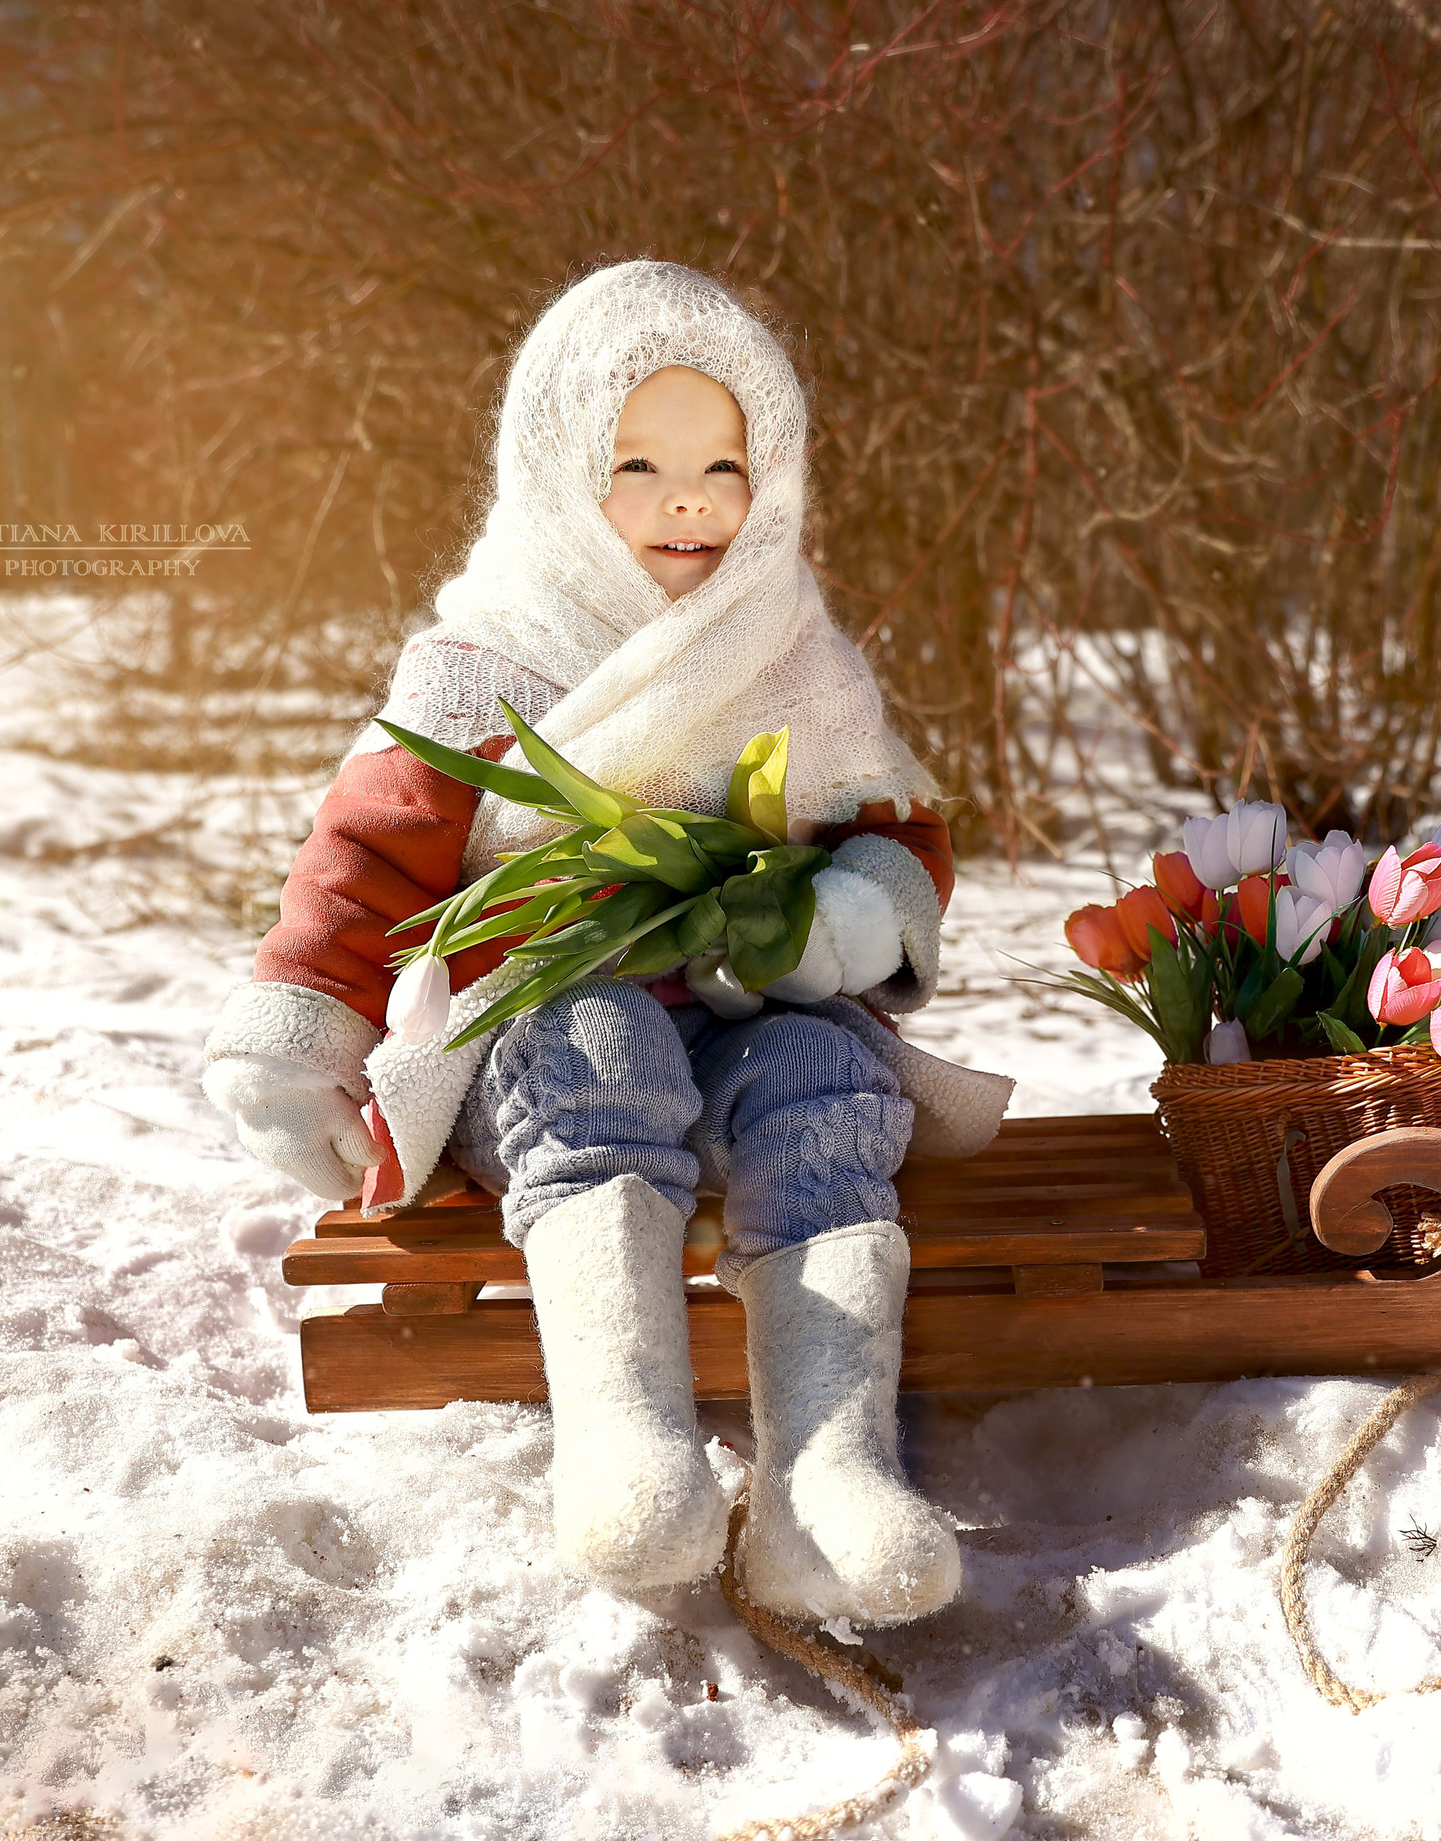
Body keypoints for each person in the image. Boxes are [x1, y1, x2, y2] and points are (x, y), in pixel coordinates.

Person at [202, 261, 1011, 1627]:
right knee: (598, 1029)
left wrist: (849, 910)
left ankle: (828, 1480)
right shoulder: (485, 660)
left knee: (826, 1069)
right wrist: (301, 1030)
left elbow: (895, 821)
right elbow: (366, 854)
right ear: (557, 469)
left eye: (721, 462)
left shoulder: (790, 647)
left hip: (747, 1020)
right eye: (636, 462)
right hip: (547, 1054)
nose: (686, 498)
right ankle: (626, 1439)